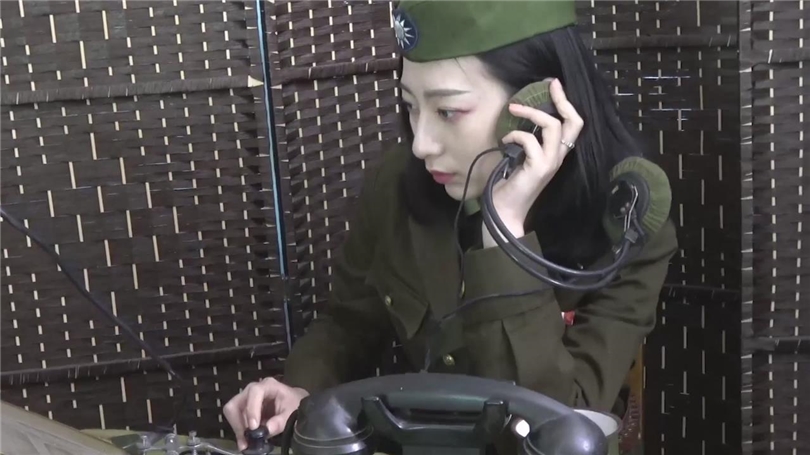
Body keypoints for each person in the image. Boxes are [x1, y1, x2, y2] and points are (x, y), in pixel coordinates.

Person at [224, 0, 678, 452]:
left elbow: (562, 424)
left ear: (537, 106)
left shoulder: (628, 220)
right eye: (410, 105)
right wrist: (301, 392)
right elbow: (348, 323)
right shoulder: (397, 185)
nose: (421, 144)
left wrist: (505, 233)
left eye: (447, 111)